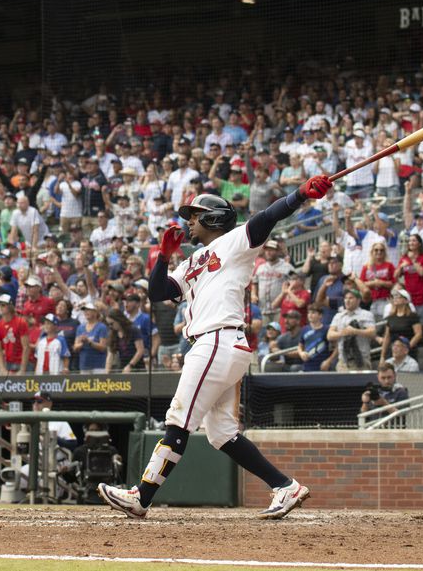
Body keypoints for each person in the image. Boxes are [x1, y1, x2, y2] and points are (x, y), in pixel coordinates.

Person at [99, 176, 333, 521]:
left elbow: (268, 215)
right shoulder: (190, 260)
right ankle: (286, 486)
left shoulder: (236, 242)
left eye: (195, 215)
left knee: (178, 421)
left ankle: (142, 496)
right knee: (221, 434)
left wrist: (299, 194)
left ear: (212, 218)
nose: (189, 222)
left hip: (217, 340)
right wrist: (163, 258)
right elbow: (158, 292)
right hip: (217, 344)